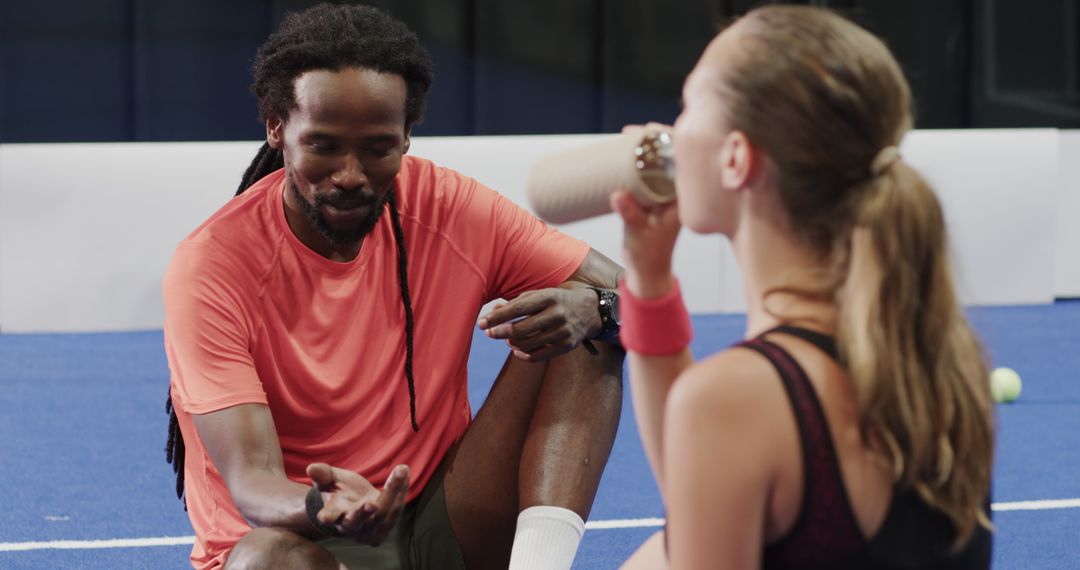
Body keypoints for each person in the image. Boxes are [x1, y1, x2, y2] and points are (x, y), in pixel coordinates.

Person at [162, 4, 625, 569]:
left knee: (589, 324)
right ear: (276, 128)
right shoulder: (212, 266)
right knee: (264, 560)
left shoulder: (448, 207)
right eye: (324, 145)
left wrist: (600, 307)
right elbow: (252, 482)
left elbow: (640, 296)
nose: (351, 174)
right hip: (304, 540)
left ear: (407, 137)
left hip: (439, 523)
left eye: (377, 147)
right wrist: (326, 506)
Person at [614, 6, 994, 569]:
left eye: (689, 104)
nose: (667, 127)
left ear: (736, 158)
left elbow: (715, 451)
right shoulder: (947, 362)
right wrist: (647, 279)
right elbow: (707, 494)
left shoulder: (737, 398)